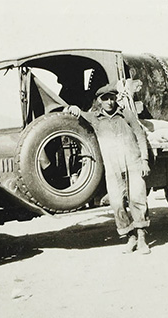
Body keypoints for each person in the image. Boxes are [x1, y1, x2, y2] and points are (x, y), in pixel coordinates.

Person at [67, 82, 152, 254]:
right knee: (117, 203)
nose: (109, 102)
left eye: (112, 98)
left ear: (116, 99)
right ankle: (130, 237)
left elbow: (140, 135)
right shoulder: (95, 118)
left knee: (137, 199)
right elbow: (78, 113)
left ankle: (142, 238)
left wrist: (144, 160)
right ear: (99, 101)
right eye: (105, 99)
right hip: (112, 167)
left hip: (133, 163)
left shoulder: (126, 115)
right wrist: (72, 107)